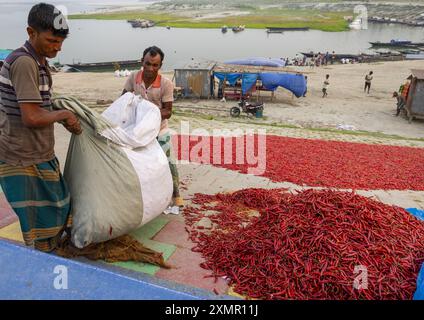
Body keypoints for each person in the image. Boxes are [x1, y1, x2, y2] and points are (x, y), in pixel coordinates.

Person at [0, 3, 82, 252]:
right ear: (30, 32)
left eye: (60, 42)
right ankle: (45, 259)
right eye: (51, 41)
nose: (57, 47)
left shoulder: (39, 60)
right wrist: (65, 114)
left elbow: (37, 102)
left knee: (57, 205)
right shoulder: (25, 63)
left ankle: (49, 250)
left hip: (38, 151)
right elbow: (32, 117)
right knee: (46, 216)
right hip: (23, 156)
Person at [122, 46, 183, 207]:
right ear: (142, 61)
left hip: (159, 129)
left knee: (168, 161)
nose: (150, 68)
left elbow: (168, 111)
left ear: (160, 65)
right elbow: (123, 100)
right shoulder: (133, 77)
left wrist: (149, 116)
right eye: (147, 64)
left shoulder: (166, 83)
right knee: (139, 164)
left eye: (155, 65)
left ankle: (176, 195)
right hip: (138, 130)